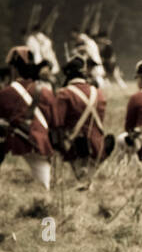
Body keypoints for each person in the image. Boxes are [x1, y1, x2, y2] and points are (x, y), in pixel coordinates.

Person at [0, 46, 58, 188]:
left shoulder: (5, 94)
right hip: (40, 144)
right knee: (43, 190)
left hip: (19, 143)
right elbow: (56, 121)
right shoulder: (45, 92)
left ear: (13, 69)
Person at [54, 55, 111, 174]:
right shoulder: (98, 93)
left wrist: (60, 148)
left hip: (74, 148)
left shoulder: (64, 94)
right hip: (98, 148)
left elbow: (57, 124)